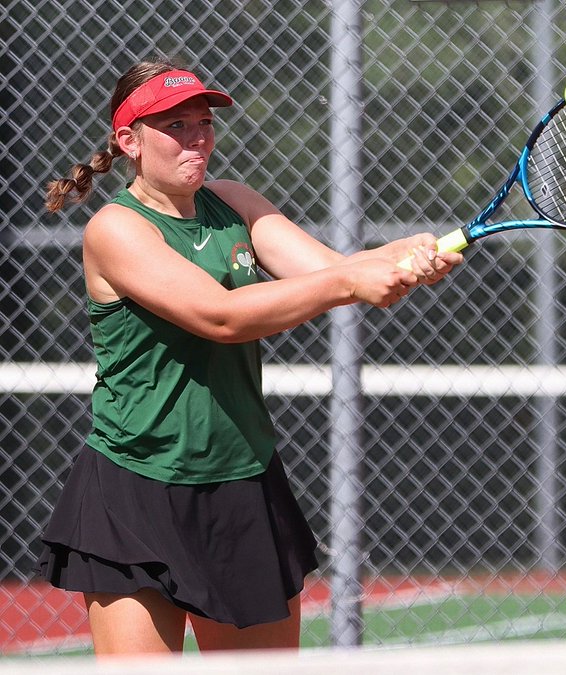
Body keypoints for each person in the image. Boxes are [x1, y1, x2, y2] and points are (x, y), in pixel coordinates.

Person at [38, 59, 463, 655]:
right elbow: (222, 316)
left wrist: (403, 260)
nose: (196, 137)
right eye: (175, 125)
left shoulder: (235, 203)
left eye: (203, 122)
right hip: (134, 487)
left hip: (244, 483)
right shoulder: (115, 229)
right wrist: (353, 282)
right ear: (128, 141)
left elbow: (332, 271)